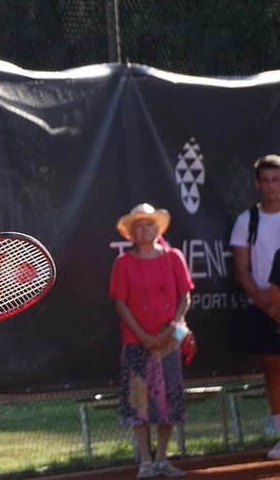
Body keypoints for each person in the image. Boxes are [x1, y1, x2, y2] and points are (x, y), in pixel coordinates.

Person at [109, 203, 194, 479]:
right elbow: (120, 304)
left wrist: (171, 328)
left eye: (149, 224)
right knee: (139, 403)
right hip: (136, 342)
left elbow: (185, 297)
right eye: (139, 226)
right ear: (131, 233)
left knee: (168, 401)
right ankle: (145, 462)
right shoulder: (123, 263)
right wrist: (145, 337)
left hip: (170, 342)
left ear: (158, 229)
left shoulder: (174, 257)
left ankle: (161, 461)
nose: (144, 229)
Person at [229, 154, 280, 460]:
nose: (272, 186)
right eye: (267, 181)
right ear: (257, 184)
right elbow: (241, 269)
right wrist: (268, 304)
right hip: (262, 309)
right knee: (274, 372)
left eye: (277, 180)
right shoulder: (246, 220)